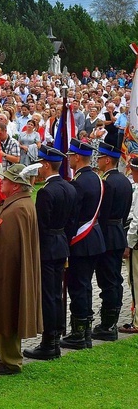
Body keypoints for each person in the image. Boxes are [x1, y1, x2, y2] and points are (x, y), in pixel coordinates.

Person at [0, 163, 43, 375]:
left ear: (17, 186)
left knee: (5, 313)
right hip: (10, 270)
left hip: (7, 272)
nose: (1, 182)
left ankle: (10, 360)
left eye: (6, 180)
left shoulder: (17, 209)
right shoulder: (20, 204)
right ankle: (6, 355)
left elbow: (6, 248)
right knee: (5, 313)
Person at [24, 145, 77, 360]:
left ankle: (49, 342)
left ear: (46, 165)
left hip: (47, 247)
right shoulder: (69, 187)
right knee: (56, 295)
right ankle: (54, 338)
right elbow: (72, 222)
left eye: (40, 165)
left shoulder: (46, 192)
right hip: (62, 243)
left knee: (48, 295)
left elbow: (41, 225)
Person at [61, 139, 106, 350]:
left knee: (78, 287)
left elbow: (72, 215)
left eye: (70, 155)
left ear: (77, 157)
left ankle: (79, 333)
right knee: (85, 285)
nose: (68, 158)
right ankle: (85, 329)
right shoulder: (96, 177)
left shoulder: (78, 182)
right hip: (94, 238)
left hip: (81, 239)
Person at [92, 141, 132, 340]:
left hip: (107, 234)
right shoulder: (124, 180)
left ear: (107, 160)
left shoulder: (106, 182)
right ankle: (111, 320)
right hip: (118, 232)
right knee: (115, 278)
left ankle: (107, 325)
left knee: (107, 280)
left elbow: (102, 212)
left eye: (100, 157)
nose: (97, 160)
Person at [121, 157, 138, 334]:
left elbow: (136, 221)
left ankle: (137, 321)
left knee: (135, 281)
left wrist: (129, 243)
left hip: (136, 244)